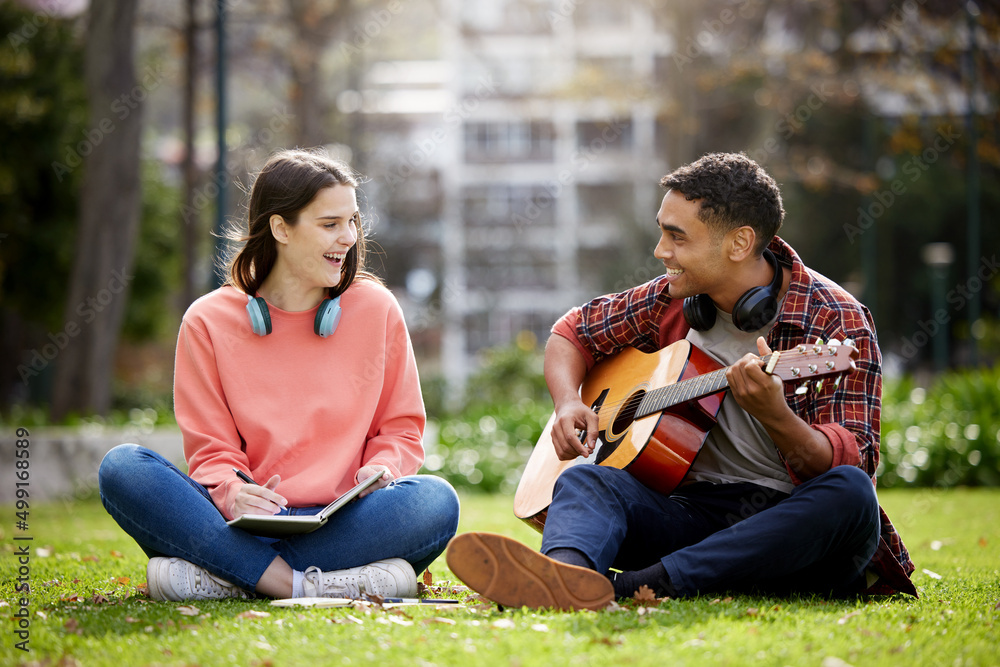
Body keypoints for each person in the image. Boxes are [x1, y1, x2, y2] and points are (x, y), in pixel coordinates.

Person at [446, 152, 916, 610]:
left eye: (677, 237)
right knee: (588, 481)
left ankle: (638, 586)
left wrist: (777, 417)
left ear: (739, 243)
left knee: (851, 494)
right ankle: (564, 576)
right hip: (688, 513)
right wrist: (569, 401)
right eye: (662, 233)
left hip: (786, 529)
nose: (661, 251)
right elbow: (572, 332)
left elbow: (854, 460)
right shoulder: (671, 298)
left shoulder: (835, 319)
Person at [99, 148, 460, 602]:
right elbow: (212, 451)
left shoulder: (376, 309)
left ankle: (228, 576)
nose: (348, 237)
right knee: (123, 469)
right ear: (280, 228)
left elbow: (401, 430)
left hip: (344, 524)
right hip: (238, 525)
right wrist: (233, 494)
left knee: (435, 502)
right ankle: (302, 583)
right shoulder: (207, 322)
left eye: (352, 221)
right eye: (330, 224)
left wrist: (381, 470)